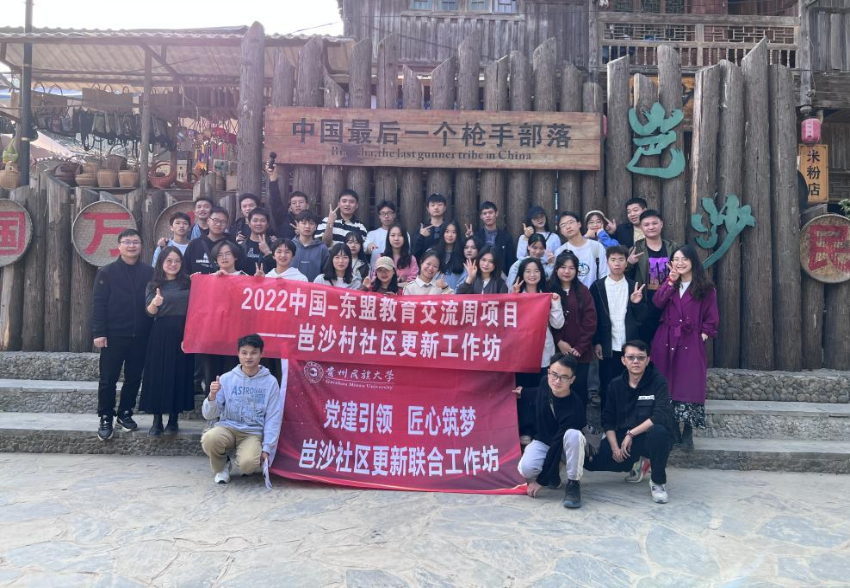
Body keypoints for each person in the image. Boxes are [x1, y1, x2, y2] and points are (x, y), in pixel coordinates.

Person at [585, 340, 674, 504]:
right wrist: (615, 448)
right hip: (624, 441)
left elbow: (660, 415)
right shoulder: (615, 385)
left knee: (659, 432)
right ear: (623, 360)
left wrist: (631, 434)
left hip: (648, 438)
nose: (636, 361)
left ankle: (658, 481)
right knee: (589, 461)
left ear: (648, 360)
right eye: (631, 357)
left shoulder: (658, 381)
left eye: (641, 357)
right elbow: (607, 419)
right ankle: (638, 463)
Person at [651, 245, 719, 449]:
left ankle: (688, 431)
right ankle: (672, 429)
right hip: (666, 339)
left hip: (690, 340)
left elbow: (712, 318)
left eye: (684, 259)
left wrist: (702, 336)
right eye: (676, 259)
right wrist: (670, 281)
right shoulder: (670, 282)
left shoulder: (706, 288)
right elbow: (657, 303)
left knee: (689, 384)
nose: (680, 263)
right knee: (667, 383)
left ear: (693, 261)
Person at [91, 228, 154, 441]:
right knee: (108, 378)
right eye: (127, 242)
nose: (131, 246)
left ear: (141, 246)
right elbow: (98, 304)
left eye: (135, 242)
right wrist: (99, 332)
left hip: (141, 335)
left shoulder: (149, 272)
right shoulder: (107, 272)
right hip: (113, 335)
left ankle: (125, 413)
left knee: (134, 377)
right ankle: (105, 416)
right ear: (119, 246)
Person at [201, 334, 284, 484]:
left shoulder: (270, 382)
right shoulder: (226, 379)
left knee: (248, 466)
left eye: (253, 352)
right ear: (238, 354)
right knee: (210, 438)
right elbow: (208, 414)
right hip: (227, 427)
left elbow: (273, 417)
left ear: (262, 354)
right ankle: (222, 466)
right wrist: (212, 396)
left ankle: (244, 457)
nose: (248, 357)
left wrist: (267, 449)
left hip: (252, 432)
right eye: (244, 352)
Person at [515, 353, 587, 509]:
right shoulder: (545, 383)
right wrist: (523, 392)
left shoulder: (575, 408)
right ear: (548, 373)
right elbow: (539, 392)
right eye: (554, 374)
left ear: (572, 380)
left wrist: (541, 481)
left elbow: (557, 446)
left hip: (566, 448)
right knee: (526, 469)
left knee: (573, 435)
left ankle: (573, 483)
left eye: (564, 377)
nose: (557, 381)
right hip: (544, 440)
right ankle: (554, 473)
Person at [140, 246, 194, 437]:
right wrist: (155, 303)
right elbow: (149, 312)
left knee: (179, 373)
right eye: (169, 260)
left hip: (184, 332)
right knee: (159, 375)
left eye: (177, 261)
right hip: (161, 332)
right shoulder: (154, 283)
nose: (173, 264)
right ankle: (157, 420)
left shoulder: (188, 282)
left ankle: (173, 418)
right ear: (161, 262)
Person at [512, 257, 565, 445]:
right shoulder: (516, 294)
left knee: (542, 390)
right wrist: (513, 297)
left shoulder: (547, 295)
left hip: (543, 351)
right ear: (521, 274)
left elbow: (558, 324)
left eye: (536, 271)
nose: (532, 275)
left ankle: (540, 430)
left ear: (542, 274)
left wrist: (556, 303)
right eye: (527, 271)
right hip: (521, 352)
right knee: (522, 391)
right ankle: (525, 429)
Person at [590, 245, 648, 409]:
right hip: (607, 345)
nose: (617, 263)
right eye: (613, 259)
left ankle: (629, 420)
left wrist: (636, 303)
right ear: (607, 262)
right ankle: (607, 421)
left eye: (621, 259)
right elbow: (593, 317)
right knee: (607, 385)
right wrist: (597, 341)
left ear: (626, 262)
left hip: (629, 345)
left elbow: (642, 318)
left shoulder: (634, 285)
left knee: (630, 385)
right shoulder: (597, 287)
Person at [549, 251, 597, 407]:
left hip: (579, 353)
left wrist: (580, 347)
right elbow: (544, 321)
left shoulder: (583, 290)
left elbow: (590, 321)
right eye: (563, 267)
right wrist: (558, 341)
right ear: (556, 269)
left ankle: (578, 420)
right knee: (556, 388)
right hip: (556, 350)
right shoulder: (548, 289)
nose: (567, 271)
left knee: (578, 390)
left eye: (571, 268)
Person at [627, 209, 679, 345]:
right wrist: (629, 264)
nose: (651, 227)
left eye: (654, 223)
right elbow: (625, 277)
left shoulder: (672, 247)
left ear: (661, 224)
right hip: (645, 301)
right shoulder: (636, 249)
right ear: (641, 227)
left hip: (669, 300)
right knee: (645, 341)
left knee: (668, 341)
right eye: (646, 224)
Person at [554, 211, 608, 288]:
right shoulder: (560, 252)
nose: (568, 227)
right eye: (563, 225)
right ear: (561, 231)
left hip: (594, 293)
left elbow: (604, 274)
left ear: (579, 224)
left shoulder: (597, 247)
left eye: (571, 222)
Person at [466, 201, 515, 272]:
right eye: (484, 213)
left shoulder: (506, 237)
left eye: (490, 212)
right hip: (479, 273)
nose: (488, 216)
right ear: (481, 216)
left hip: (501, 274)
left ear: (496, 213)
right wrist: (470, 239)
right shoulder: (476, 236)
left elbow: (511, 261)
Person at [185, 207, 230, 275]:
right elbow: (185, 270)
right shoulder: (194, 244)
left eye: (223, 222)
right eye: (215, 220)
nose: (218, 224)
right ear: (208, 221)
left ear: (227, 224)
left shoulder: (232, 245)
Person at [373, 223, 418, 288]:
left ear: (405, 238)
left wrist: (396, 285)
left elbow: (414, 282)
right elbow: (375, 278)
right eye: (393, 235)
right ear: (388, 238)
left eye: (400, 235)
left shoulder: (411, 259)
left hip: (405, 292)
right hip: (384, 292)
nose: (396, 238)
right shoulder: (381, 257)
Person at [291, 210, 329, 282]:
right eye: (304, 223)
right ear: (298, 225)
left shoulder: (322, 248)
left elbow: (326, 272)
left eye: (311, 223)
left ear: (316, 227)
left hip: (315, 287)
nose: (307, 226)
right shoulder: (290, 245)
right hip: (292, 287)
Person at [412, 193, 448, 260]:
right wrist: (421, 236)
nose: (436, 207)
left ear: (445, 208)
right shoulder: (421, 229)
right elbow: (414, 254)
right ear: (428, 209)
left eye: (439, 204)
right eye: (432, 205)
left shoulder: (449, 228)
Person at [241, 208, 275, 274]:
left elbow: (279, 267)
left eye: (262, 221)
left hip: (267, 280)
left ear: (268, 224)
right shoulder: (241, 246)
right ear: (249, 223)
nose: (258, 223)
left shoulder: (275, 245)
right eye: (255, 220)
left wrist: (267, 252)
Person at [435, 220, 465, 290]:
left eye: (454, 232)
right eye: (447, 231)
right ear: (442, 233)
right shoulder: (434, 252)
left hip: (455, 294)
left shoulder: (463, 253)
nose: (450, 235)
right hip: (435, 294)